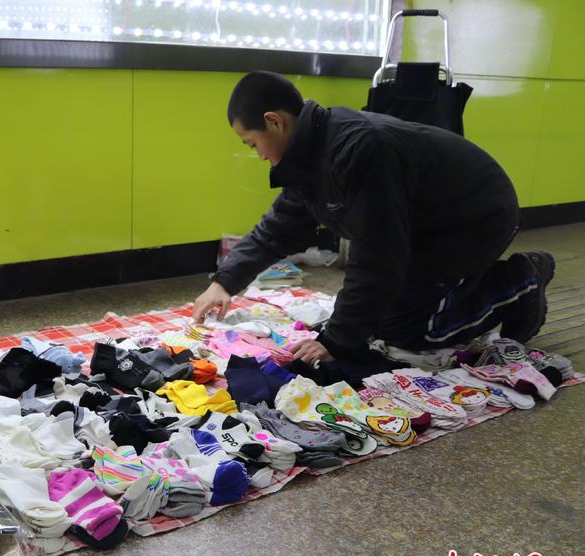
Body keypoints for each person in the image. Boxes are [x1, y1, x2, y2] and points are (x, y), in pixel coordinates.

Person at [194, 71, 554, 368]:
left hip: (475, 218)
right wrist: (224, 282)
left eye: (251, 143)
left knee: (408, 332)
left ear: (274, 122)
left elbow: (378, 257)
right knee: (372, 318)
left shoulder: (358, 148)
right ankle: (470, 284)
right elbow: (280, 227)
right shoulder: (310, 152)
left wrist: (335, 340)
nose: (256, 155)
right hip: (426, 224)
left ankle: (519, 281)